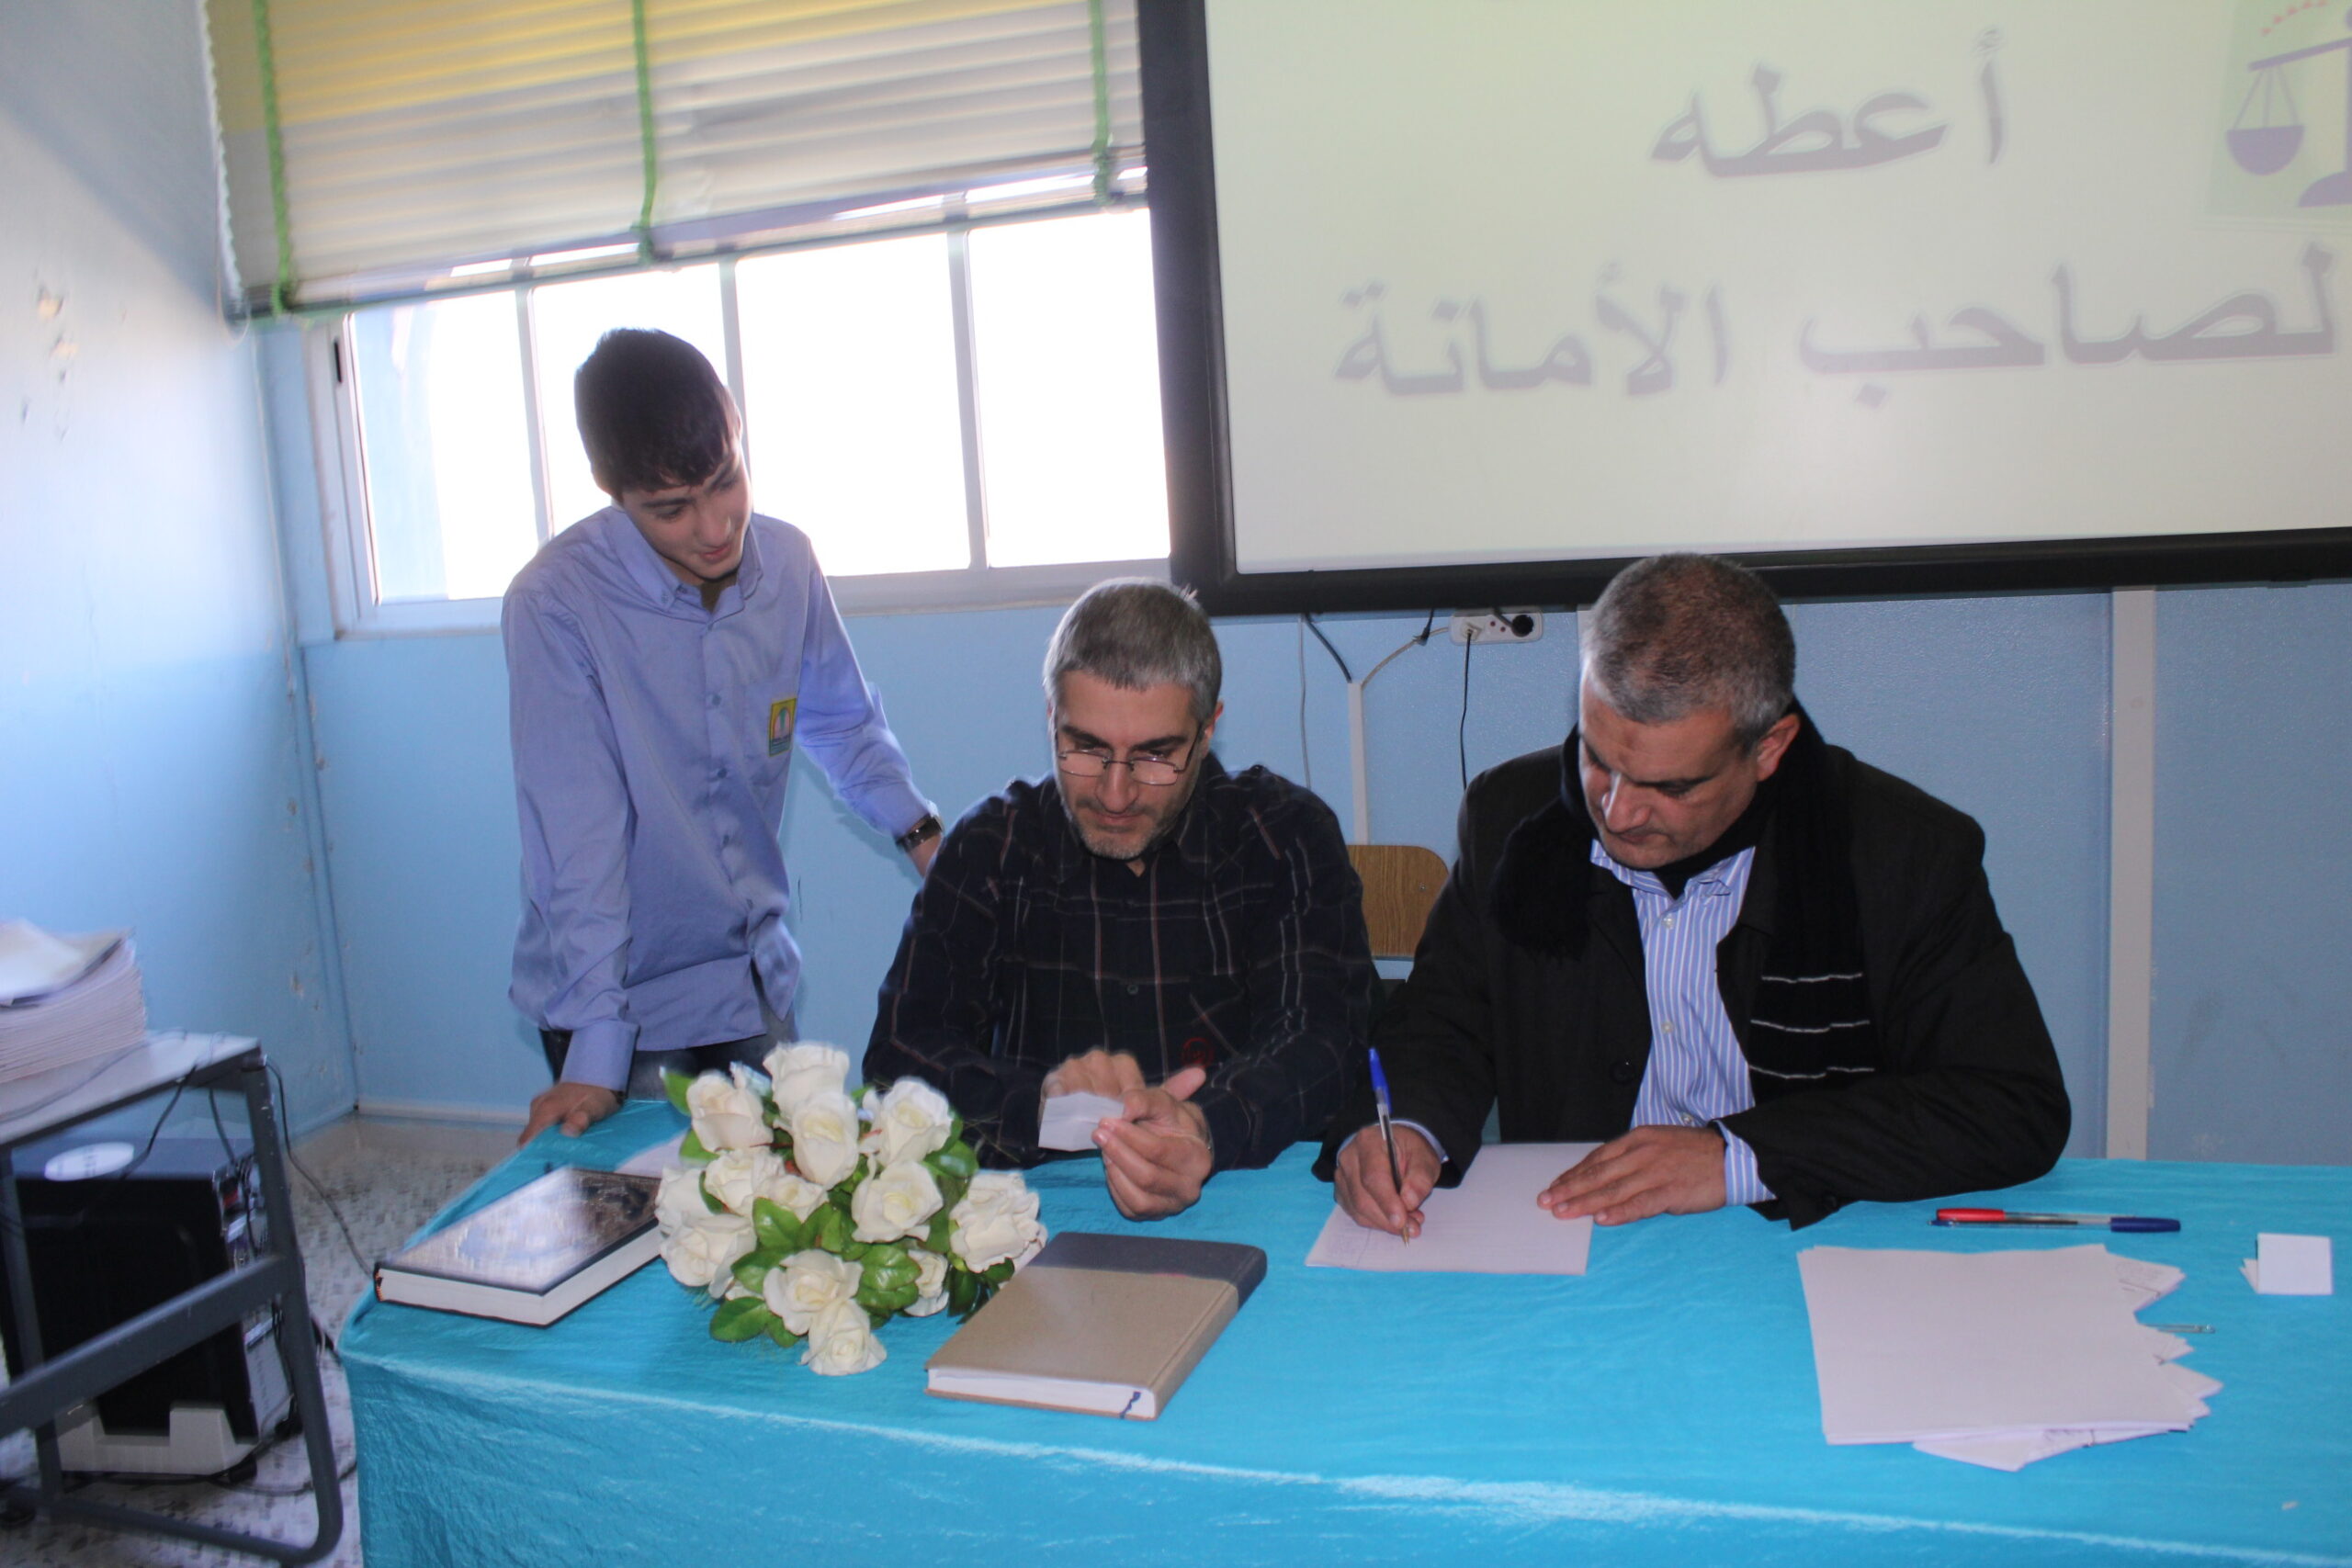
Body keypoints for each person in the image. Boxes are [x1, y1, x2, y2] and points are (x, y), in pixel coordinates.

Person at [1323, 553, 2069, 1233]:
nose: (1617, 811)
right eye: (1597, 758)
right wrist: (1405, 1127)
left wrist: (1737, 1154)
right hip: (1575, 1237)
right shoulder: (1511, 819)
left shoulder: (1903, 853)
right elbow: (1443, 1021)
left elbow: (2011, 1104)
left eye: (1671, 786)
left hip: (1806, 1233)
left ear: (1768, 748)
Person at [505, 329, 941, 1145]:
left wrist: (929, 844)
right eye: (671, 509)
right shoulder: (556, 603)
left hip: (749, 977)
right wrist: (595, 1050)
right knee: (647, 1210)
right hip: (623, 1001)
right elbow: (579, 837)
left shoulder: (788, 563)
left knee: (787, 1197)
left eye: (726, 481)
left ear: (738, 431)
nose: (714, 527)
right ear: (609, 487)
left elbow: (843, 721)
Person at [865, 579, 1374, 1219]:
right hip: (1039, 1219)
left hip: (1247, 1200)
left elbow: (1324, 1043)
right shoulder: (993, 845)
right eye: (1086, 747)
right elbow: (900, 1058)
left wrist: (1203, 1125)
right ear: (1051, 719)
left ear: (1208, 731)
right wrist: (1041, 1104)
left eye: (1155, 755)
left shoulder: (1283, 836)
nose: (1114, 793)